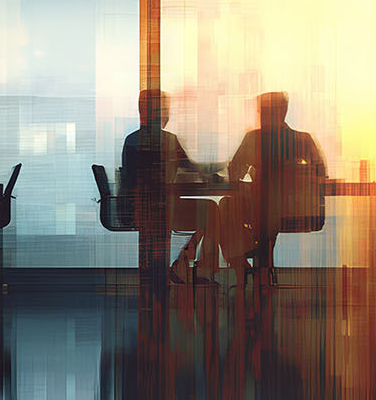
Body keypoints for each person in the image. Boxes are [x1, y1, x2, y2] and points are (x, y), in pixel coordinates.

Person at [119, 90, 221, 283]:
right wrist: (218, 168)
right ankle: (193, 265)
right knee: (211, 211)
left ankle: (182, 264)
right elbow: (191, 167)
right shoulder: (167, 140)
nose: (167, 115)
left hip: (146, 207)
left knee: (209, 211)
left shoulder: (132, 140)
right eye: (163, 110)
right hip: (156, 208)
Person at [219, 91, 326, 274]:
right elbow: (321, 174)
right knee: (260, 211)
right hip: (296, 211)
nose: (261, 115)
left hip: (264, 210)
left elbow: (235, 173)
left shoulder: (253, 139)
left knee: (227, 206)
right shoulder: (302, 140)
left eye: (263, 111)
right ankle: (259, 262)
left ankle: (241, 258)